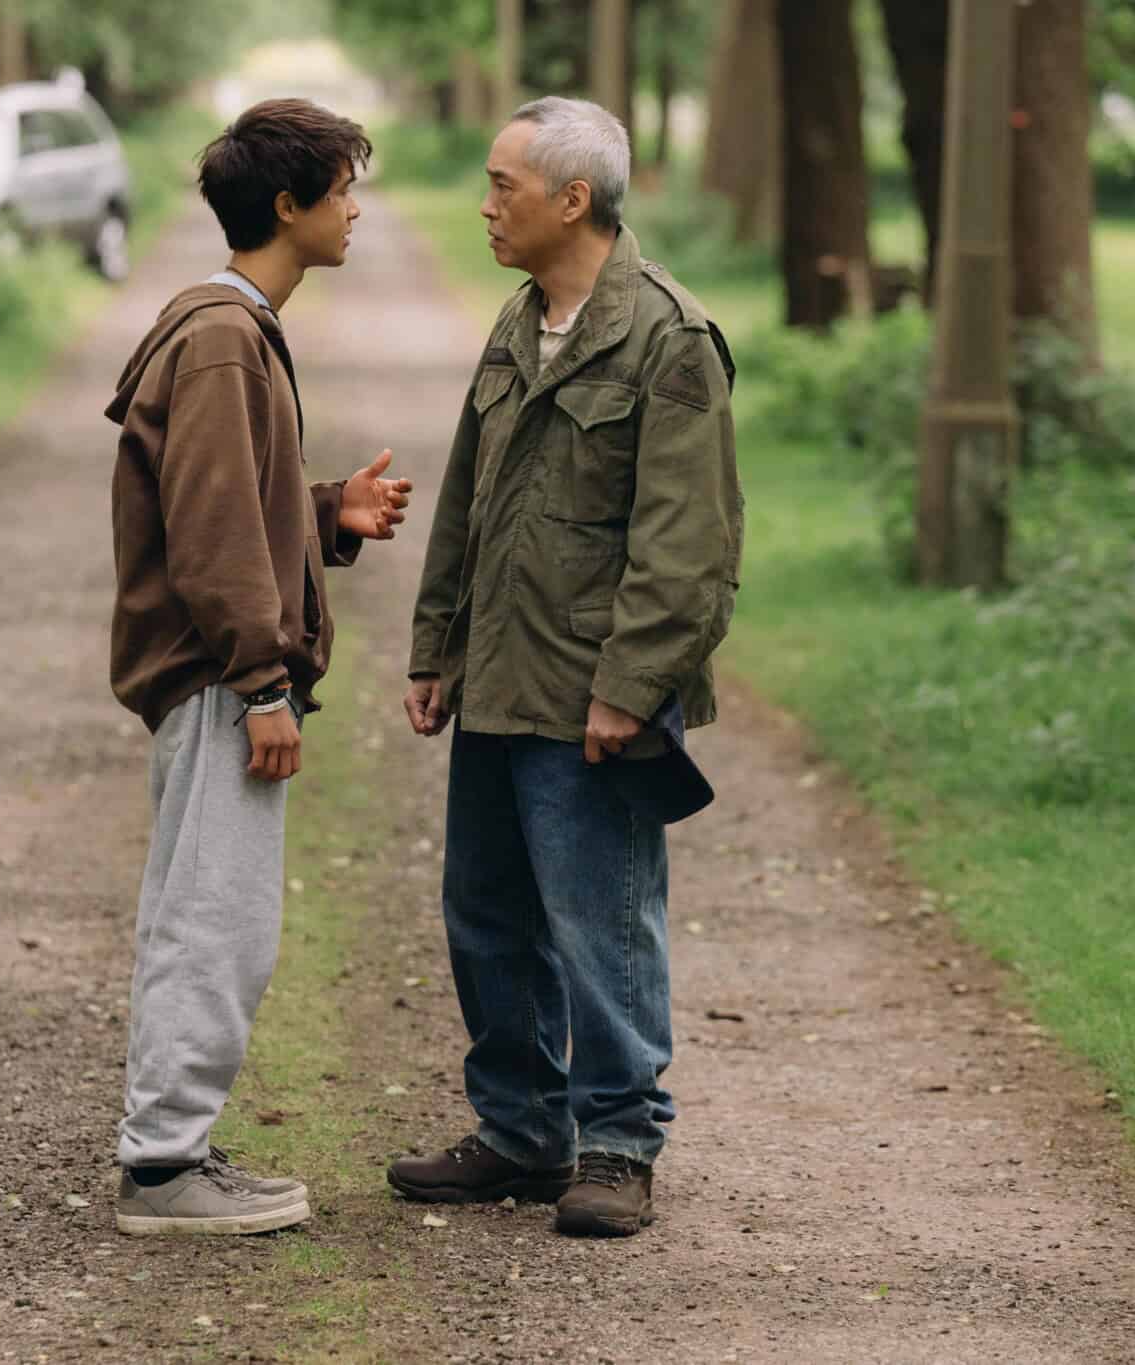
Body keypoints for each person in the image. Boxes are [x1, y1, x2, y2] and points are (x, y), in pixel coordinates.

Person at [389, 96, 742, 1238]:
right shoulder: (516, 319)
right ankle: (521, 1134)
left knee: (601, 922)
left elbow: (686, 549)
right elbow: (466, 500)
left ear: (571, 200)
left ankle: (616, 1146)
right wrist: (435, 642)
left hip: (591, 691)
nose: (483, 203)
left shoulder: (667, 340)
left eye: (501, 185)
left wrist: (628, 689)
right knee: (484, 915)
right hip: (496, 673)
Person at [103, 99, 412, 1236]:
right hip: (215, 677)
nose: (354, 210)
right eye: (340, 191)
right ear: (286, 206)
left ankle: (166, 1148)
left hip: (207, 673)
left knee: (203, 909)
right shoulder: (226, 337)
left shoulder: (221, 325)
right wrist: (262, 683)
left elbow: (236, 497)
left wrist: (330, 510)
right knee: (216, 917)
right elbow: (216, 530)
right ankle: (164, 1166)